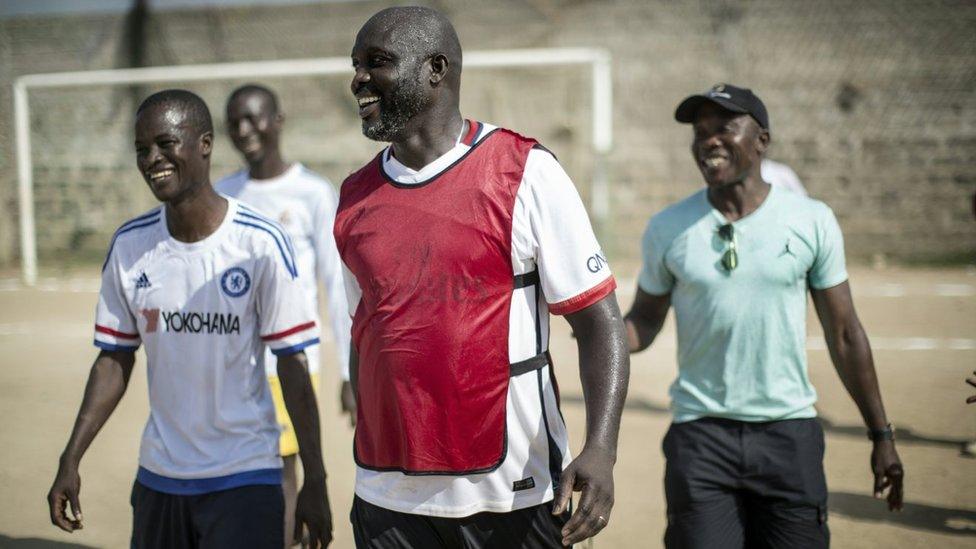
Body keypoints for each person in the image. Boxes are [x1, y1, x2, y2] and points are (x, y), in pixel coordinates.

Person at [336, 7, 629, 548]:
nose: (357, 79)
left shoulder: (524, 171)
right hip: (387, 495)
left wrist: (601, 450)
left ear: (435, 68)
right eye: (355, 64)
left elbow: (599, 324)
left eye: (376, 63)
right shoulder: (354, 196)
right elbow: (366, 331)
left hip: (510, 492)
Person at [46, 89, 333, 549]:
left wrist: (314, 479)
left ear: (204, 144)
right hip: (160, 476)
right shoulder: (129, 245)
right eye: (142, 150)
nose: (152, 159)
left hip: (246, 474)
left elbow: (292, 363)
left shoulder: (259, 243)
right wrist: (70, 457)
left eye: (165, 143)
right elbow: (114, 358)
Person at [625, 83, 904, 548]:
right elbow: (644, 320)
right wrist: (600, 329)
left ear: (762, 141)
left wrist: (881, 434)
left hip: (788, 435)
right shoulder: (668, 227)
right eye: (700, 132)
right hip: (701, 436)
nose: (709, 140)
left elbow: (845, 333)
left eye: (724, 128)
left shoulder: (811, 219)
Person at [215, 84, 353, 546]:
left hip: (290, 362)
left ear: (278, 120)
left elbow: (336, 284)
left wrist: (349, 372)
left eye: (254, 118)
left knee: (283, 469)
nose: (244, 129)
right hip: (235, 363)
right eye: (235, 122)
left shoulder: (312, 192)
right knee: (239, 470)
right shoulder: (224, 194)